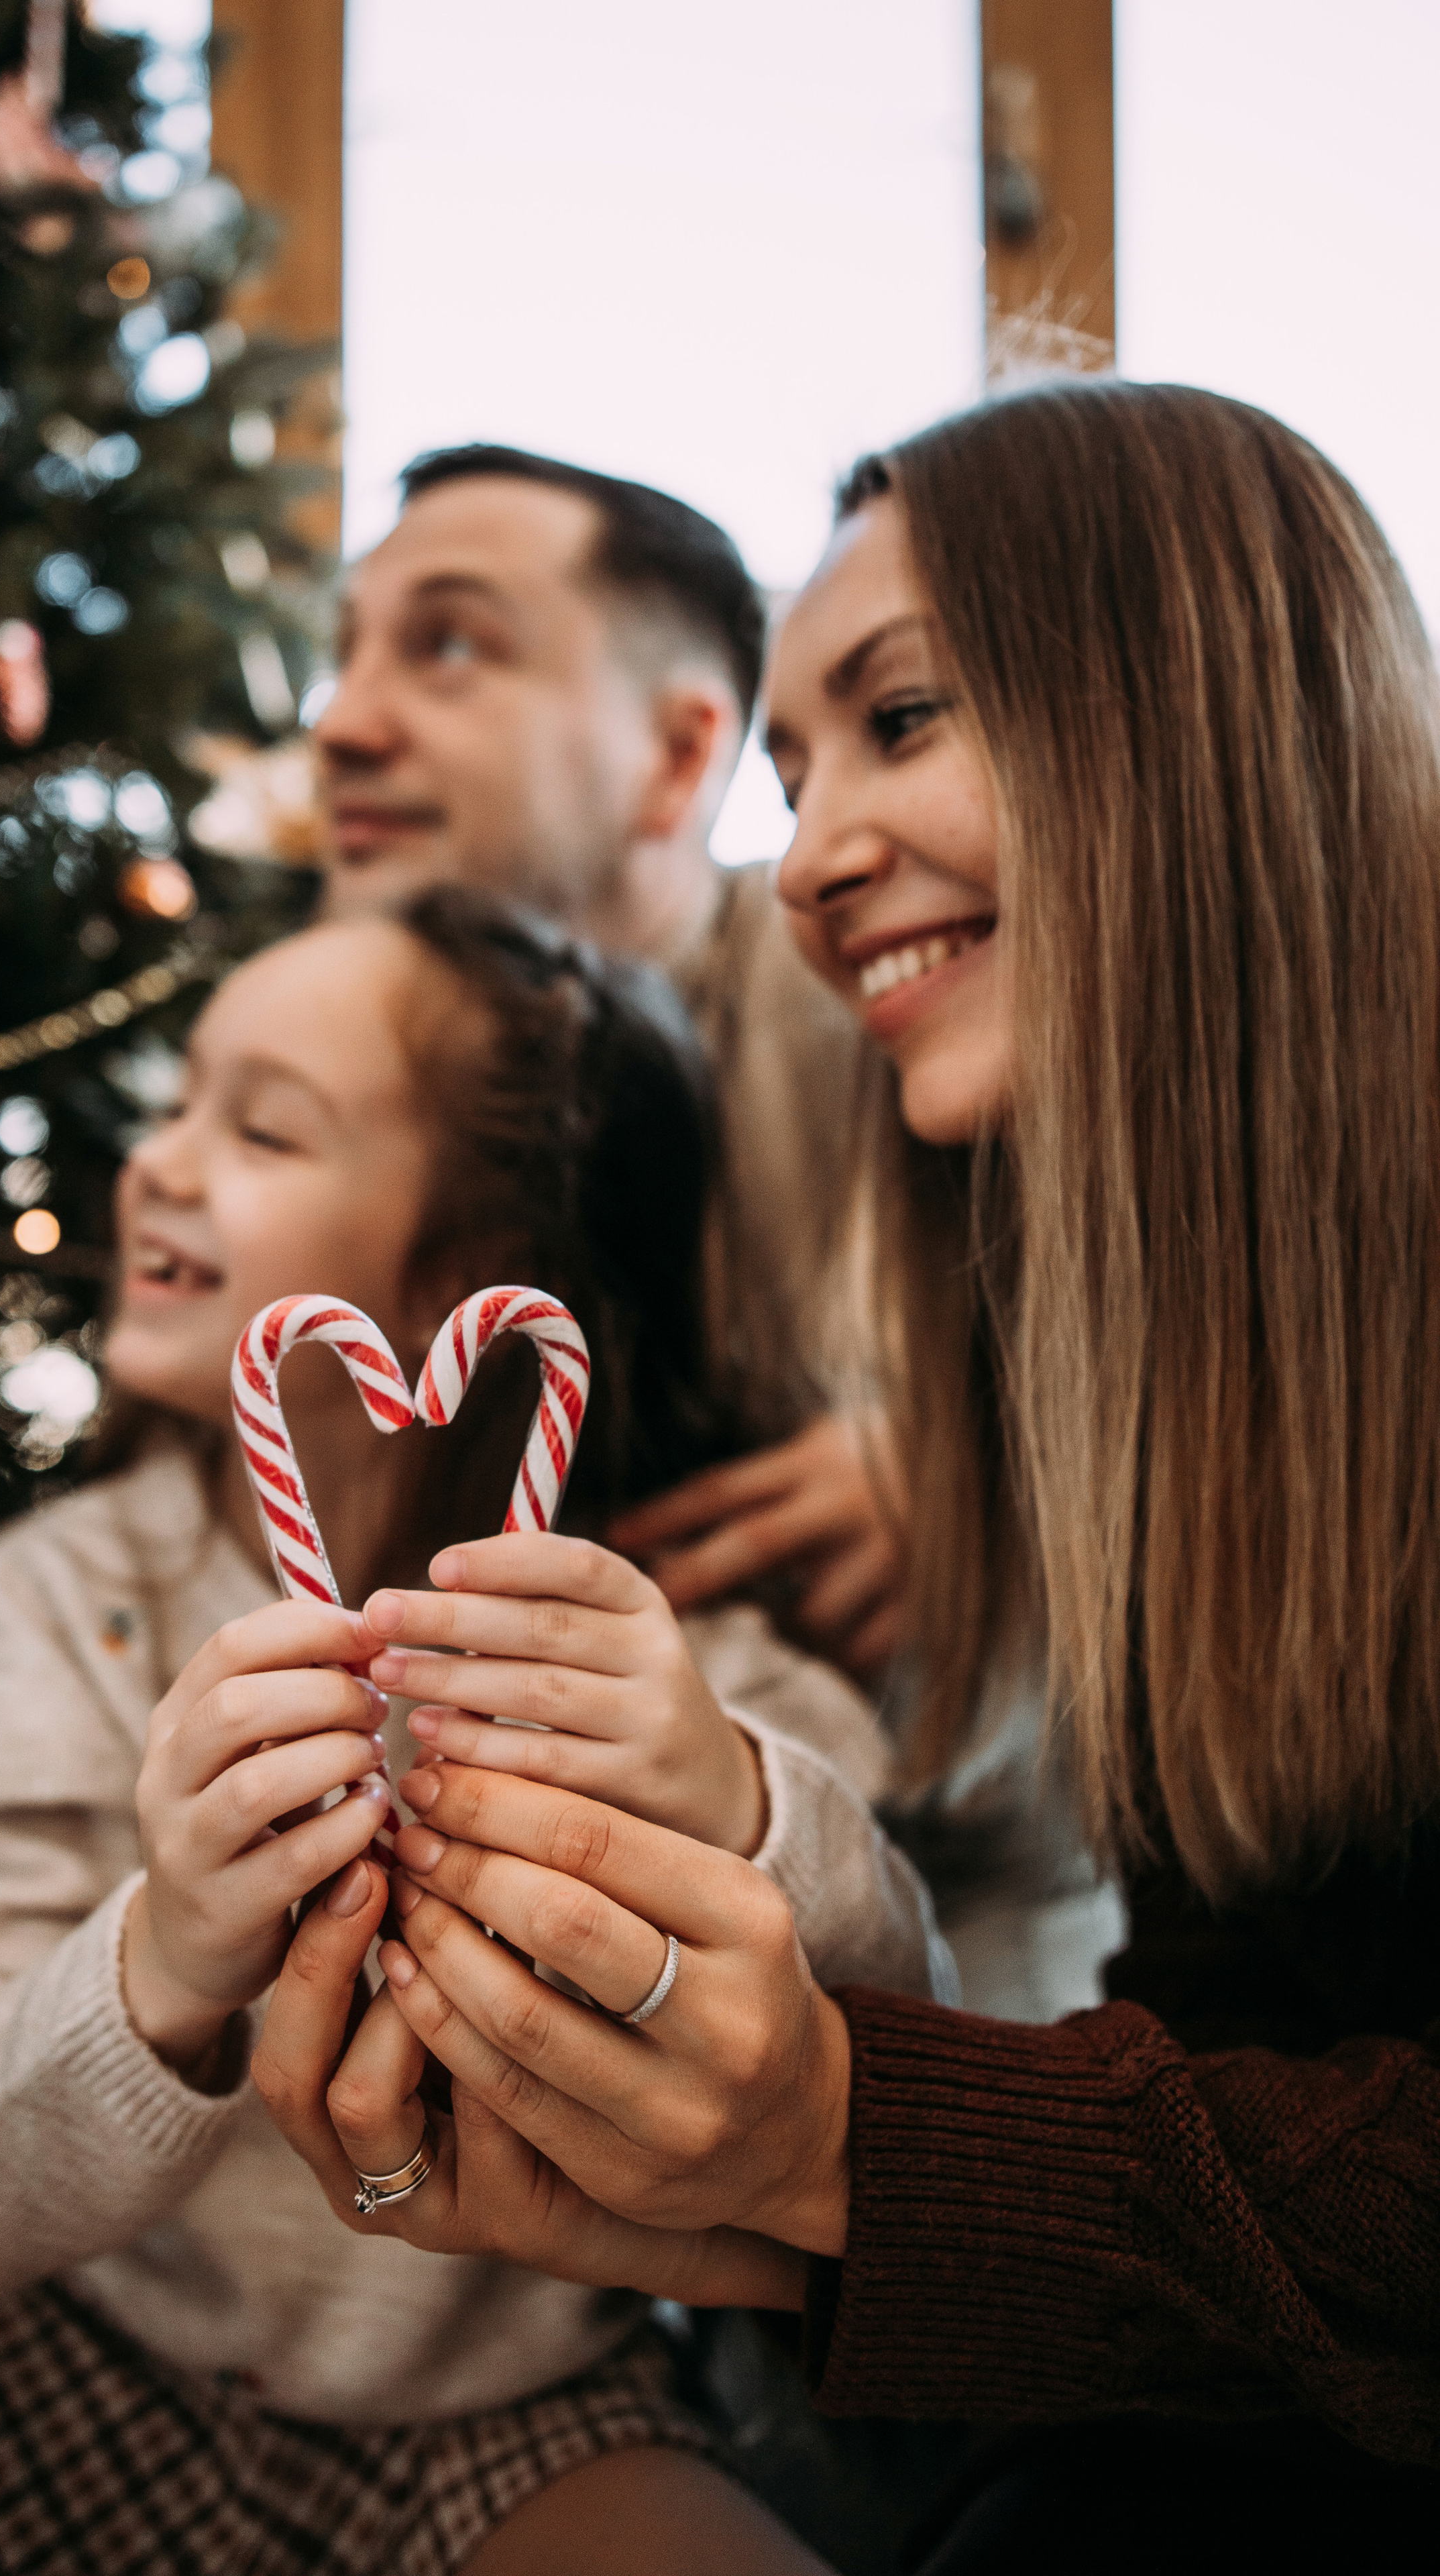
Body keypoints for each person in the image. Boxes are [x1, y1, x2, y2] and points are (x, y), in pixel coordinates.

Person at [256, 384, 1440, 2563]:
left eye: (902, 718)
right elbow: (1247, 2044)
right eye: (805, 776)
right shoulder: (1156, 1328)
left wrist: (837, 2131)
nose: (805, 860)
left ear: (1186, 702)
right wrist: (740, 2201)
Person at [0, 888, 948, 2576]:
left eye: (263, 1127)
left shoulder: (659, 1668)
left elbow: (903, 2025)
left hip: (514, 2422)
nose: (155, 1158)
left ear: (472, 1276)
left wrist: (730, 1800)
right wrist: (160, 1954)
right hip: (56, 2347)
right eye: (175, 1099)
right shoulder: (68, 1605)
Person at [317, 444, 903, 1678]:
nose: (343, 726)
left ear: (680, 758)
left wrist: (964, 1472)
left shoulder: (881, 991)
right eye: (345, 651)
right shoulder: (307, 1054)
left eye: (452, 647)